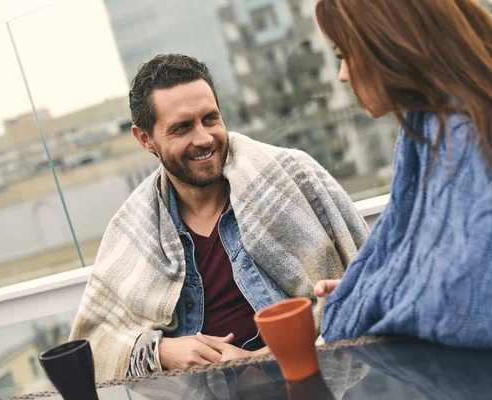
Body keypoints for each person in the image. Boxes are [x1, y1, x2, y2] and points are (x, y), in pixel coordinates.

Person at [68, 53, 369, 382]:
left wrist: (261, 360)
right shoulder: (132, 229)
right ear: (145, 139)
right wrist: (160, 351)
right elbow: (89, 348)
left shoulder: (297, 177)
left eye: (210, 119)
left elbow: (371, 287)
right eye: (182, 128)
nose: (204, 138)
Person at [313, 0, 492, 348]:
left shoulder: (465, 132)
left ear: (388, 43)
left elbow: (488, 302)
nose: (343, 74)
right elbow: (432, 254)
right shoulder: (430, 124)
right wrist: (367, 286)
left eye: (344, 53)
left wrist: (372, 295)